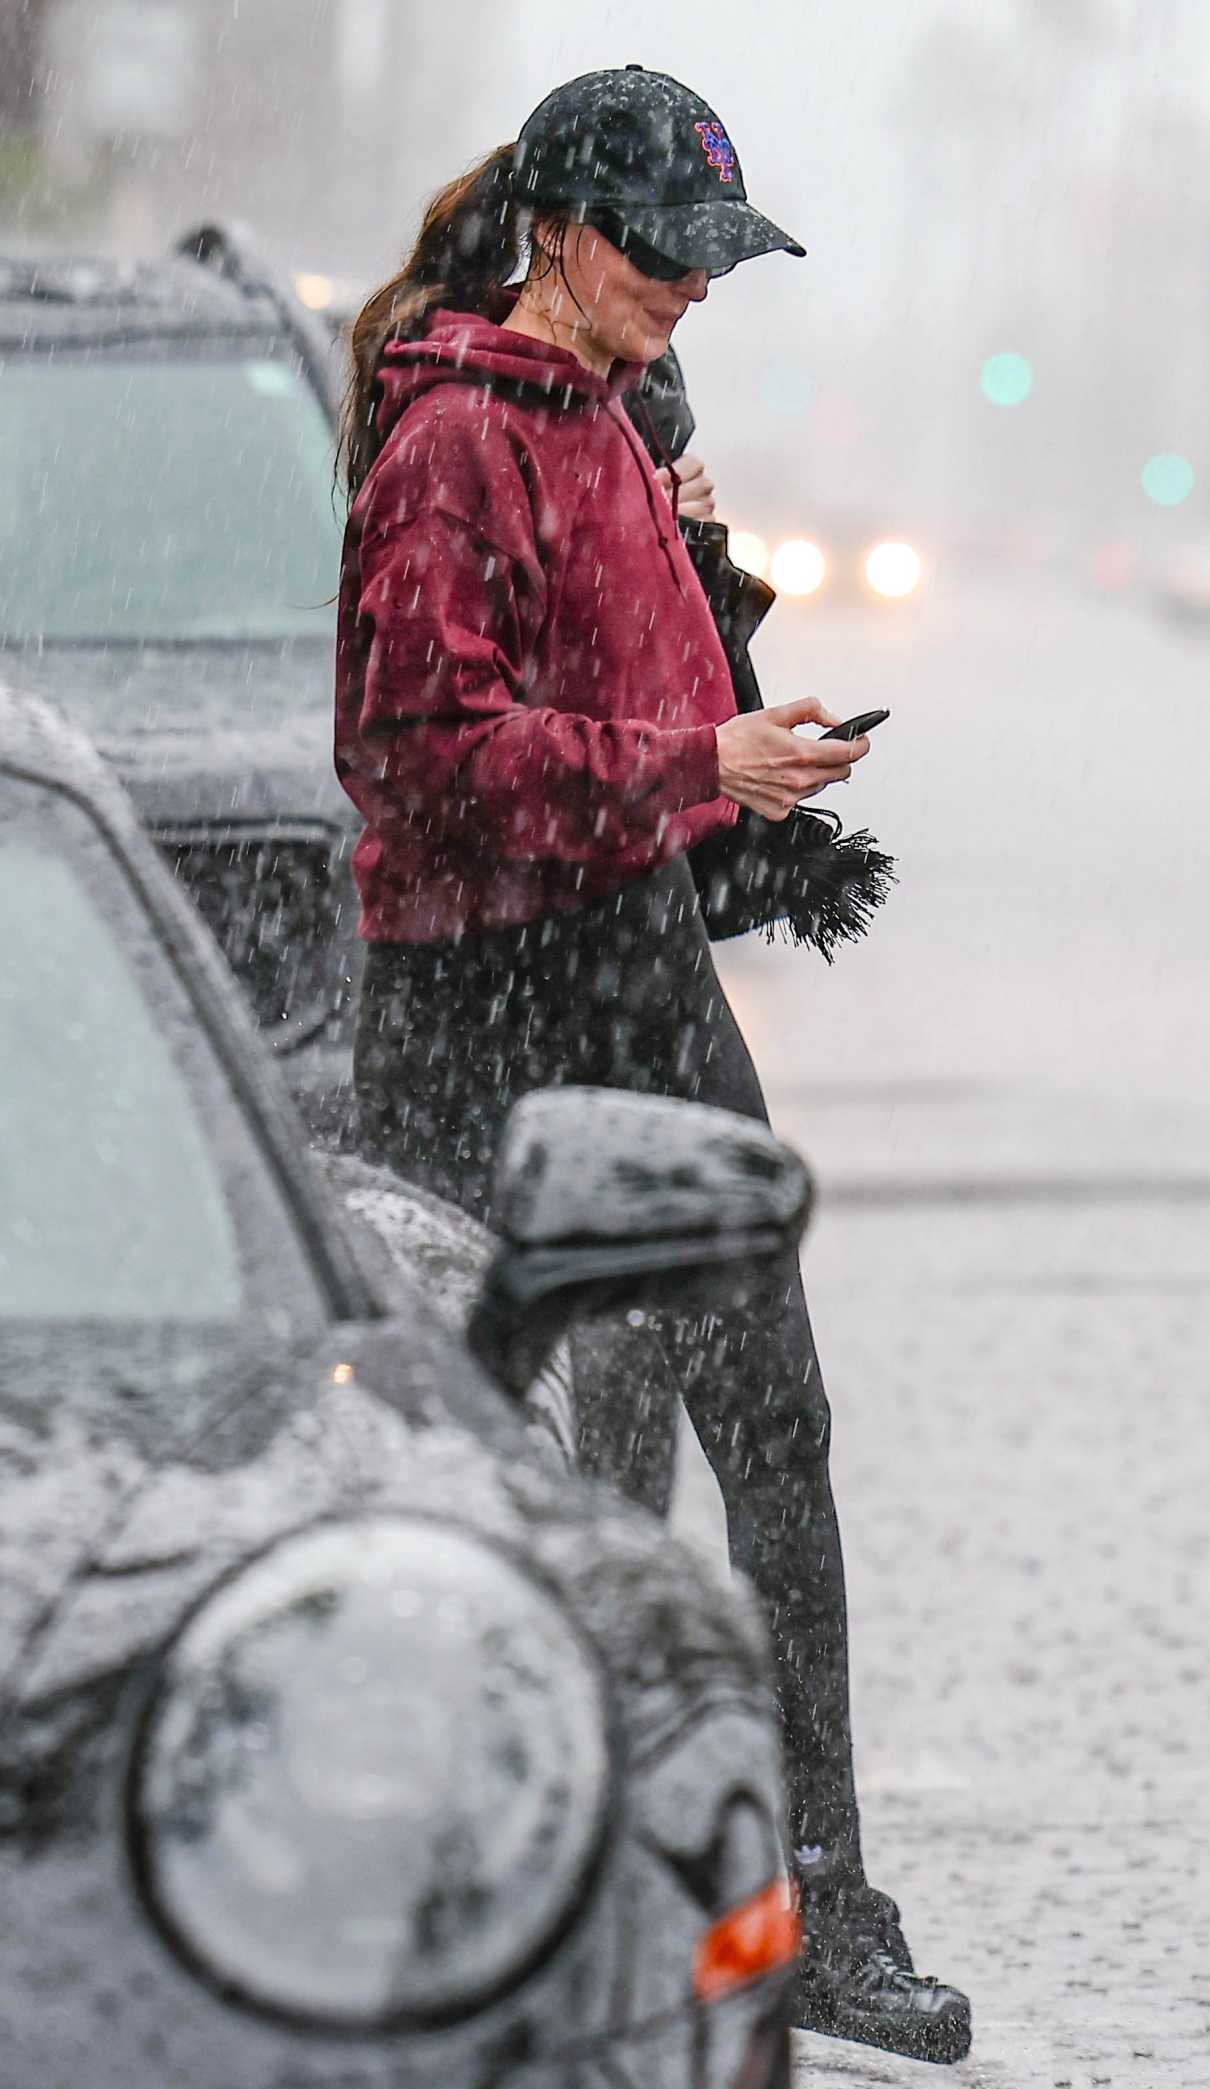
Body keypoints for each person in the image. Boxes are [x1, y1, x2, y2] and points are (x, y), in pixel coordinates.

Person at [334, 64, 971, 2063]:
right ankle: (444, 1916)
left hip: (631, 970)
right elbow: (413, 763)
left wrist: (727, 672)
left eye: (715, 259)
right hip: (478, 1010)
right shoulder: (449, 443)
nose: (698, 289)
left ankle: (808, 1910)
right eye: (670, 253)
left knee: (766, 1438)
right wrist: (694, 764)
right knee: (476, 1478)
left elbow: (633, 696)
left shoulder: (611, 420)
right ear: (561, 233)